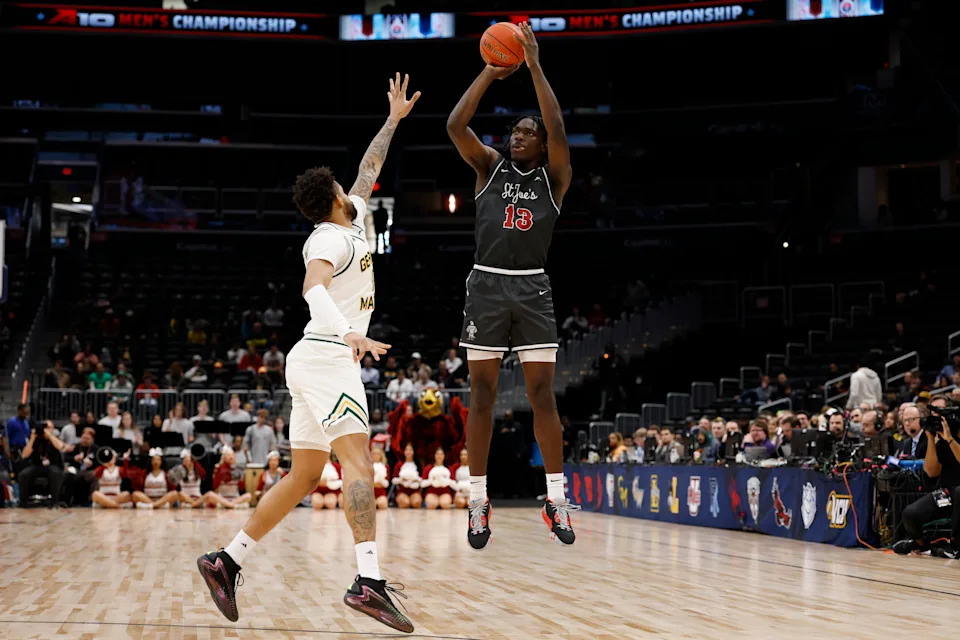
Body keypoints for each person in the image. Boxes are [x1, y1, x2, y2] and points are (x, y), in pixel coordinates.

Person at [197, 73, 419, 633]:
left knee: (304, 476)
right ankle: (368, 581)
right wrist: (349, 333)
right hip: (326, 355)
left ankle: (227, 561)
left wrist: (392, 121)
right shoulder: (327, 238)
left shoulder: (355, 219)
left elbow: (370, 169)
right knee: (359, 464)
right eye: (346, 186)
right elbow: (312, 289)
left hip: (314, 358)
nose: (355, 186)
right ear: (335, 201)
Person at [447, 22, 579, 549]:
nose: (517, 135)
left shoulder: (556, 177)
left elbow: (559, 126)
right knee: (481, 396)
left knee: (543, 397)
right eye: (515, 130)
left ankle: (556, 497)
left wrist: (535, 65)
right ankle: (478, 499)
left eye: (527, 131)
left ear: (541, 144)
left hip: (532, 288)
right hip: (486, 285)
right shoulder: (490, 169)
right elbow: (457, 125)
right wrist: (491, 71)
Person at [892, 413, 960, 557]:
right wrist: (930, 439)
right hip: (947, 492)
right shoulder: (942, 442)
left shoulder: (949, 439)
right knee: (910, 513)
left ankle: (955, 545)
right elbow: (931, 472)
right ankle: (921, 544)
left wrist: (950, 439)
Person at [18, 421, 66, 507]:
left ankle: (55, 502)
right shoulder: (36, 439)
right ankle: (23, 503)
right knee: (23, 474)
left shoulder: (54, 438)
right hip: (38, 466)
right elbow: (24, 455)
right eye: (44, 427)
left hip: (53, 466)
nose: (45, 430)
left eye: (48, 427)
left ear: (52, 429)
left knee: (55, 473)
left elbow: (60, 446)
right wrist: (32, 438)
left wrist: (49, 435)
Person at [391, 442, 422, 509]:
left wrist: (416, 479)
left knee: (416, 503)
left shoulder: (418, 464)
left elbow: (422, 479)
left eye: (410, 450)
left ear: (413, 451)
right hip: (402, 490)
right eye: (406, 450)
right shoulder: (399, 464)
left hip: (414, 490)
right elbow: (393, 480)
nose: (408, 452)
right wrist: (401, 479)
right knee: (405, 504)